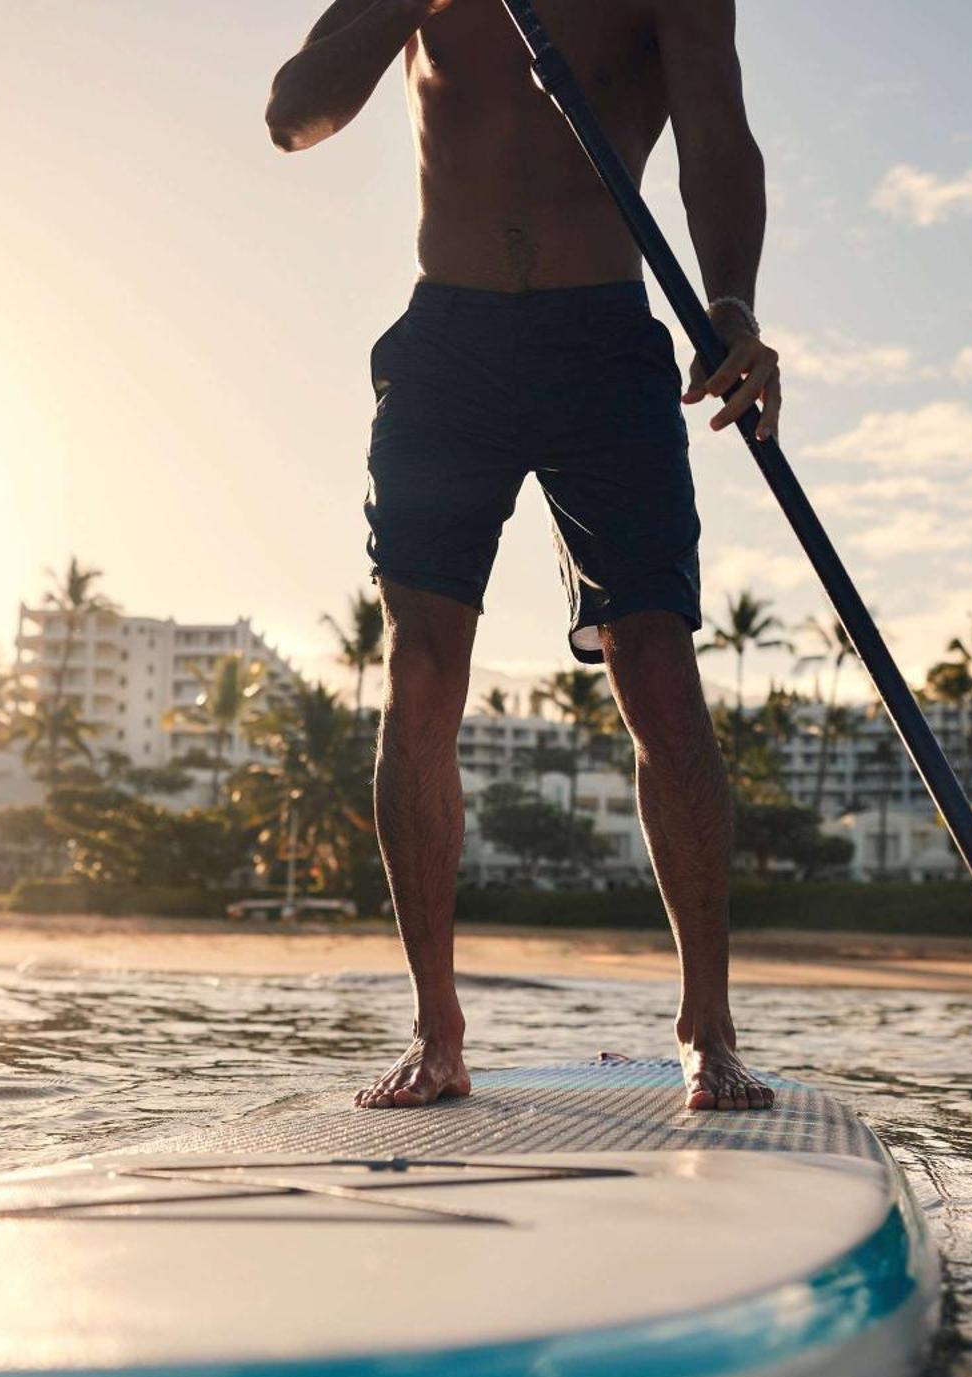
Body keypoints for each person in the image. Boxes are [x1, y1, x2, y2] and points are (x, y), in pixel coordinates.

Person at [268, 0, 781, 1112]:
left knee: (655, 664)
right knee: (420, 667)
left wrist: (731, 306)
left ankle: (708, 1025)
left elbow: (716, 132)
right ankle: (436, 1027)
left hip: (603, 338)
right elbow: (292, 117)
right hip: (449, 341)